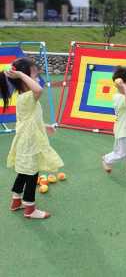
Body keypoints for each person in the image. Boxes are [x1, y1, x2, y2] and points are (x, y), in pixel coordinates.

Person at [0, 57, 63, 219]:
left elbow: (31, 119)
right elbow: (39, 90)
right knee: (32, 174)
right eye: (34, 76)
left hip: (27, 141)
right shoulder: (27, 96)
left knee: (23, 173)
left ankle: (16, 201)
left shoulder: (25, 97)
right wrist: (21, 74)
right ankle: (30, 209)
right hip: (29, 143)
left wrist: (44, 126)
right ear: (23, 80)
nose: (37, 80)